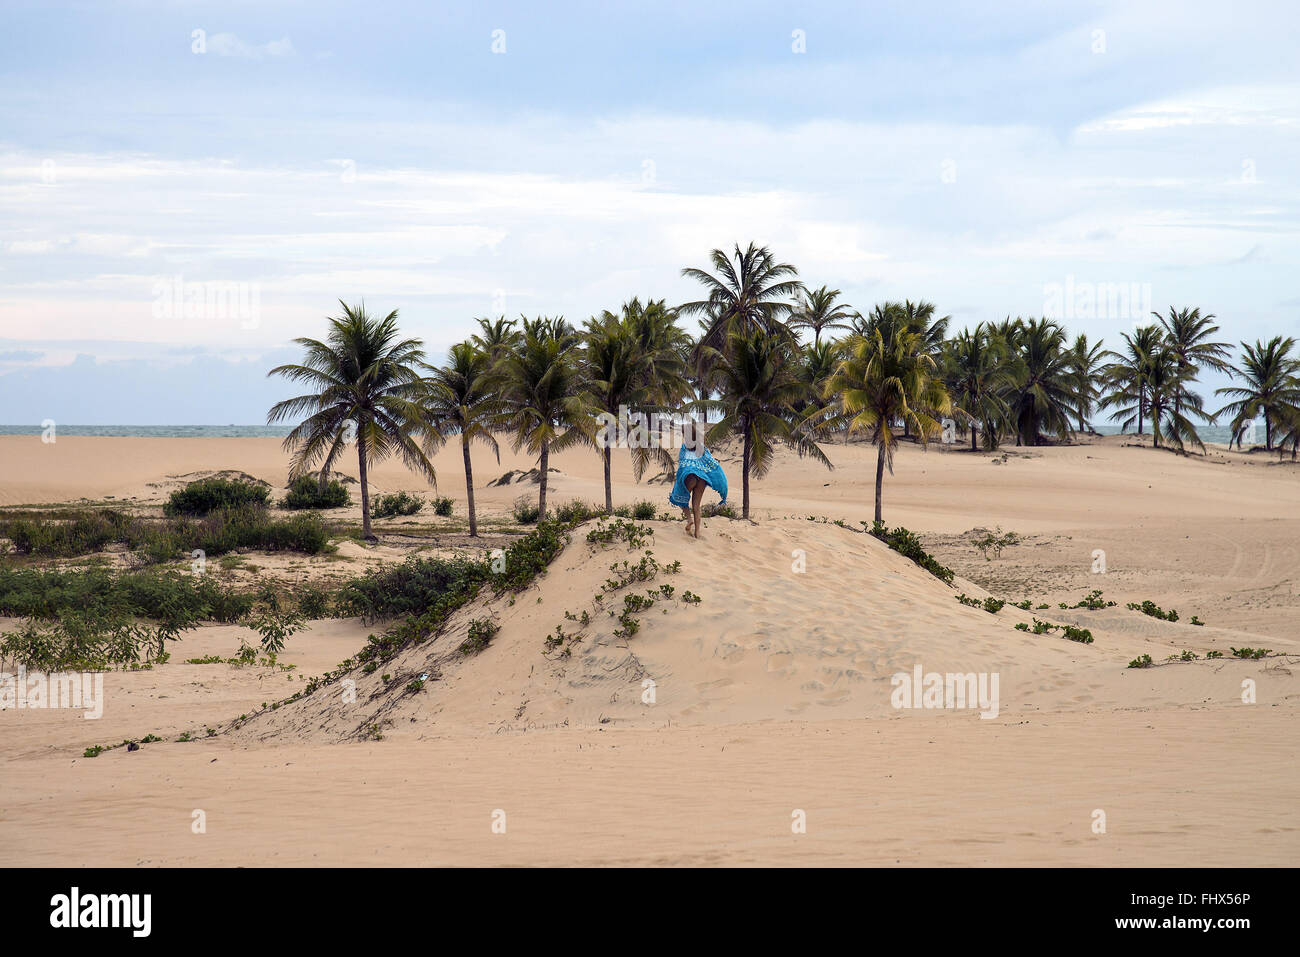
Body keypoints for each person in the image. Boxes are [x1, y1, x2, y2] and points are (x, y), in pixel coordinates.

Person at [668, 419, 728, 538]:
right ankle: (697, 532)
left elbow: (682, 463)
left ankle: (689, 519)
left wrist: (680, 478)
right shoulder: (702, 448)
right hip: (701, 479)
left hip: (690, 477)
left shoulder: (685, 447)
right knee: (696, 506)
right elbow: (710, 462)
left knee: (679, 497)